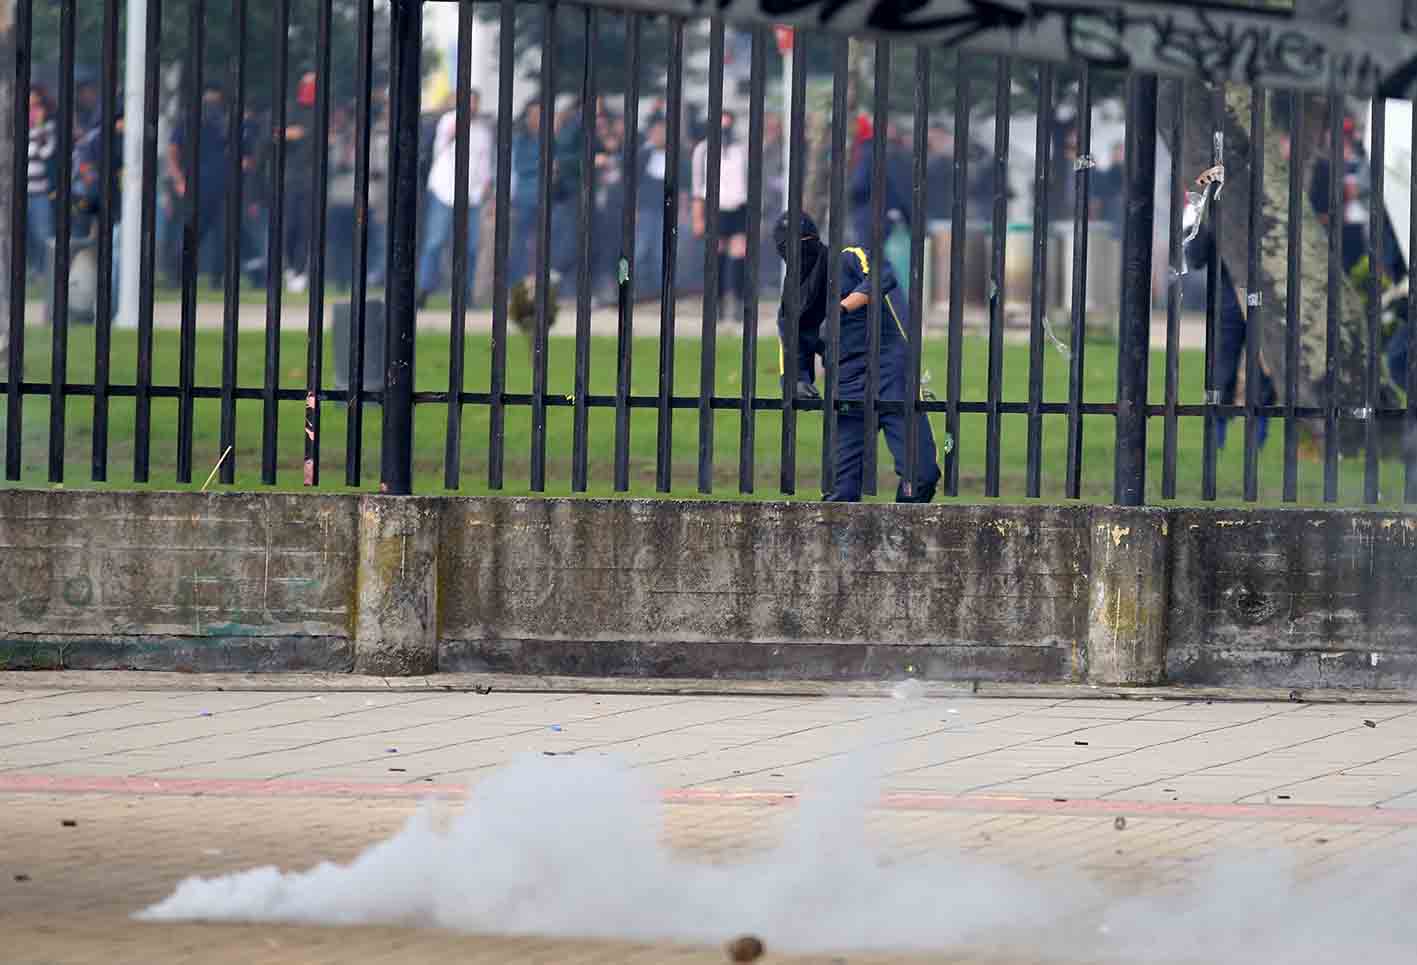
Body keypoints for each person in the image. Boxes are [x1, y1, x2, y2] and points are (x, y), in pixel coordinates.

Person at [774, 211, 941, 504]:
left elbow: (881, 277)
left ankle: (900, 532)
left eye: (804, 242)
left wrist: (841, 308)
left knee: (921, 475)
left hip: (891, 372)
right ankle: (839, 548)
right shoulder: (794, 297)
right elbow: (791, 345)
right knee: (842, 492)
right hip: (846, 385)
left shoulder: (849, 258)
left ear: (816, 239)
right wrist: (797, 380)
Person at [1181, 170, 1276, 451]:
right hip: (1227, 293)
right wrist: (1199, 222)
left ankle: (1258, 436)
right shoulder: (1211, 212)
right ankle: (1216, 436)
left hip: (1265, 293)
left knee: (1264, 365)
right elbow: (1196, 257)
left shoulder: (1264, 205)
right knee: (1222, 368)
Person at [417, 89, 494, 307]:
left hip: (472, 195)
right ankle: (424, 288)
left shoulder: (483, 131)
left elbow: (485, 165)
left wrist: (486, 190)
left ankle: (464, 292)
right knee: (436, 241)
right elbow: (440, 146)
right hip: (445, 190)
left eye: (474, 103)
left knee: (469, 247)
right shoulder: (448, 122)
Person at [167, 82, 230, 287]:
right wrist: (178, 179)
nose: (212, 106)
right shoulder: (187, 122)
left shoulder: (223, 123)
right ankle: (178, 276)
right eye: (208, 101)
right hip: (194, 187)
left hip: (219, 187)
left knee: (222, 235)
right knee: (190, 233)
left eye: (216, 102)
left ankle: (217, 280)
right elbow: (173, 151)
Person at [691, 109, 750, 323]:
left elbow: (749, 183)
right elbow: (697, 188)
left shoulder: (741, 150)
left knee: (739, 255)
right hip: (714, 207)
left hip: (738, 207)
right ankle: (717, 305)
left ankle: (738, 304)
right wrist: (697, 218)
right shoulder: (702, 150)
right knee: (717, 257)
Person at [26, 84, 58, 280]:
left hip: (39, 189)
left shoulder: (47, 128)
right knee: (26, 235)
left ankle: (47, 272)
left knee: (43, 233)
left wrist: (38, 128)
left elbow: (46, 152)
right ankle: (32, 270)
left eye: (37, 105)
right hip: (21, 191)